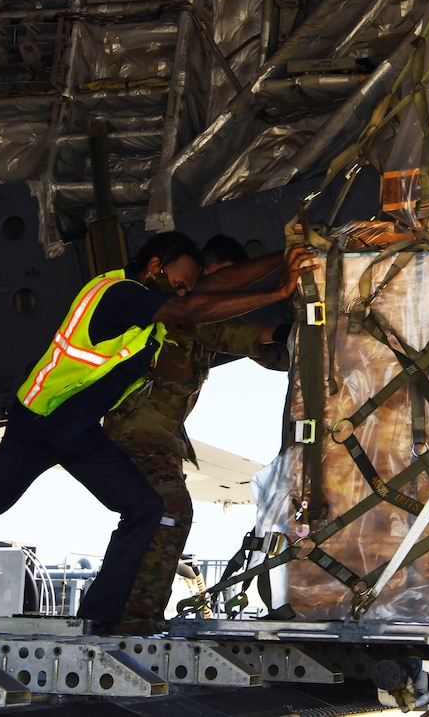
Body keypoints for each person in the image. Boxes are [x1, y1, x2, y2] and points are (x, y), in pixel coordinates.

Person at [0, 232, 313, 633]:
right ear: (156, 266)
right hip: (39, 423)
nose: (184, 291)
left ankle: (98, 620)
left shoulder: (153, 307)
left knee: (145, 508)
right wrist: (279, 288)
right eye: (178, 282)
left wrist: (284, 255)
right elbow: (193, 303)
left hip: (78, 431)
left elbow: (210, 289)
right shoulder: (118, 293)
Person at [105, 235, 292, 636]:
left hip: (159, 437)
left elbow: (264, 348)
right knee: (170, 511)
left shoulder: (204, 320)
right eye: (222, 281)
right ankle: (134, 619)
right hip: (135, 430)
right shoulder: (177, 308)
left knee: (150, 517)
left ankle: (112, 611)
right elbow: (245, 337)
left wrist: (307, 338)